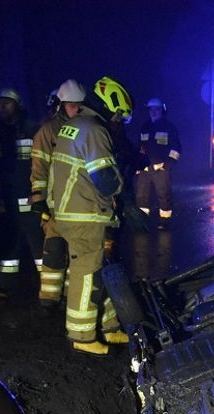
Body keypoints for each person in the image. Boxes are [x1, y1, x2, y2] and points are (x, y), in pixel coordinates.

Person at [47, 75, 133, 355]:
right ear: (112, 107)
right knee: (87, 274)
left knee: (99, 269)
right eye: (119, 115)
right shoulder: (95, 129)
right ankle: (82, 336)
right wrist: (125, 195)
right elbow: (105, 179)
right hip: (85, 213)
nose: (118, 122)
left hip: (71, 210)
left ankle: (108, 326)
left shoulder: (73, 126)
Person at [31, 78, 85, 308]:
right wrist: (38, 198)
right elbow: (39, 166)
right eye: (72, 105)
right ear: (62, 105)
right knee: (53, 250)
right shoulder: (48, 131)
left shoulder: (86, 128)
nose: (76, 109)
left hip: (79, 204)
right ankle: (49, 298)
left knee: (77, 254)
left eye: (79, 105)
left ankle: (68, 297)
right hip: (54, 204)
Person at [0, 86, 40, 300]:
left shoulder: (32, 129)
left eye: (6, 103)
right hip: (5, 198)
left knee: (37, 242)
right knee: (8, 243)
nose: (1, 107)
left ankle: (49, 287)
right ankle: (6, 285)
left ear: (17, 105)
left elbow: (41, 164)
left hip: (29, 195)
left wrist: (38, 192)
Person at [134, 97, 181, 229]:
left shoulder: (169, 127)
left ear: (162, 110)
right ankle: (142, 221)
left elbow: (176, 148)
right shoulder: (145, 126)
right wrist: (136, 164)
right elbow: (139, 146)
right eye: (151, 109)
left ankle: (164, 221)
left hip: (161, 168)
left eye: (156, 109)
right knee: (141, 196)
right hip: (144, 168)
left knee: (164, 194)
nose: (153, 112)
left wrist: (167, 164)